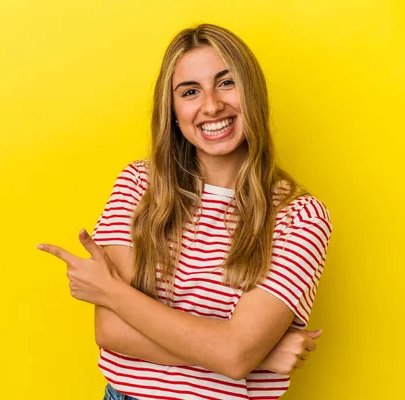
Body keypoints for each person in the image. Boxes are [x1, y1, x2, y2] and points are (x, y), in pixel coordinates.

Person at [37, 23, 332, 400]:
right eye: (190, 91)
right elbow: (111, 331)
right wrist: (257, 355)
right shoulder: (138, 184)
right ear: (173, 110)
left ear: (253, 94)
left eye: (227, 83)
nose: (211, 105)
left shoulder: (301, 217)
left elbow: (236, 354)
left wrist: (110, 290)